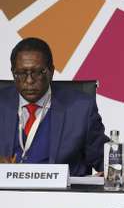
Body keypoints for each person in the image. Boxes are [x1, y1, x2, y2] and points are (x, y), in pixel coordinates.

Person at [0, 37, 108, 175]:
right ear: (13, 72)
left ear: (51, 71)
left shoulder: (80, 109)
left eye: (37, 72)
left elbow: (105, 159)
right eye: (21, 73)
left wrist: (111, 172)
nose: (29, 80)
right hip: (6, 195)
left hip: (63, 196)